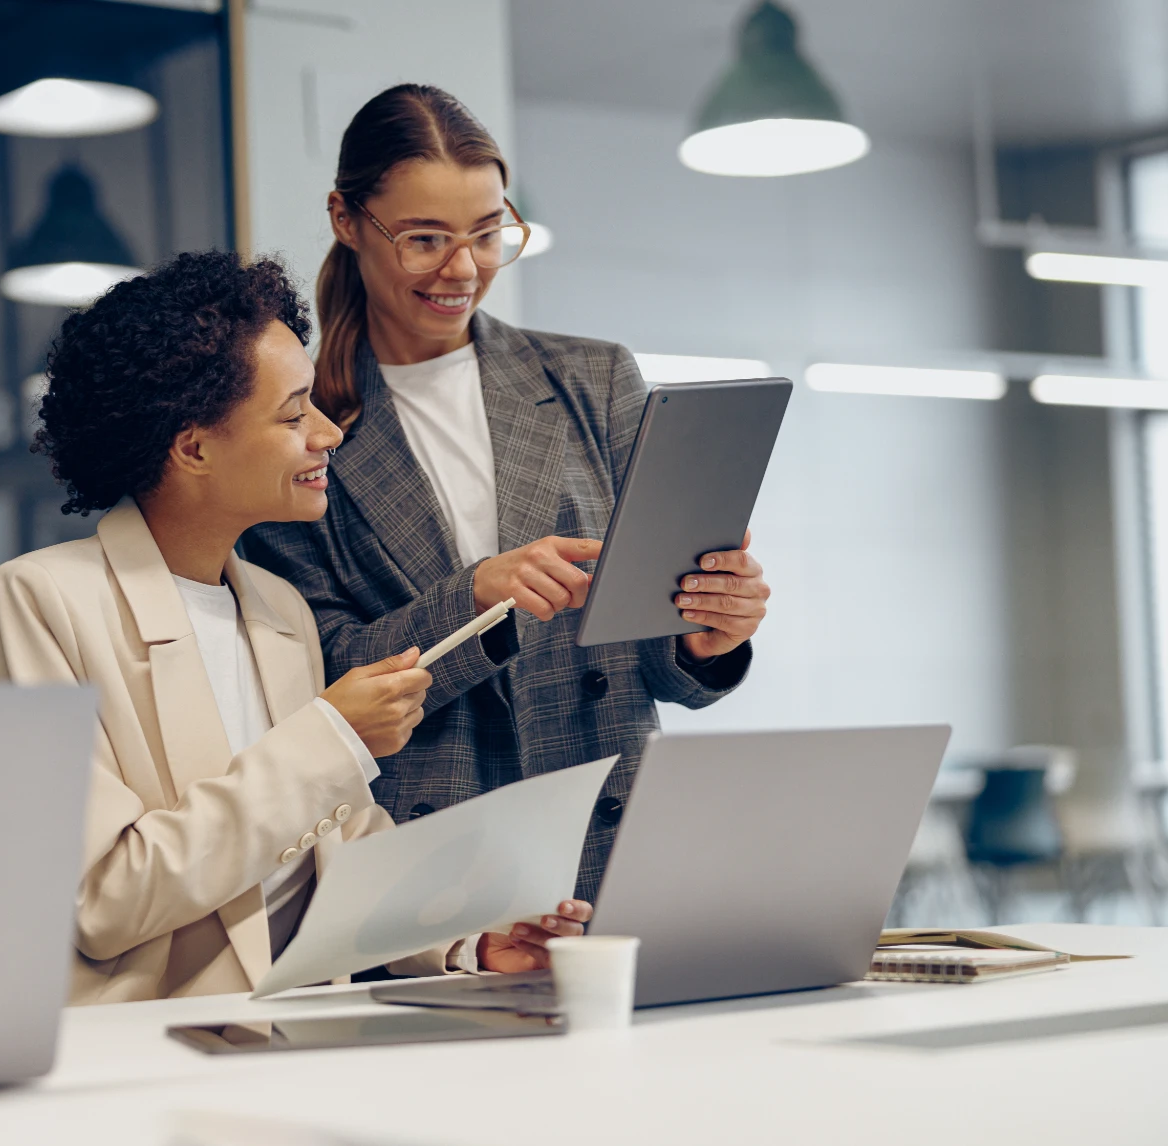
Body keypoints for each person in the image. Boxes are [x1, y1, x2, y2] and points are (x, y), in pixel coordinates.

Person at [0, 251, 588, 1004]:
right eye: (294, 412)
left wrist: (468, 937)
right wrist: (334, 736)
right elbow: (106, 901)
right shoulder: (43, 598)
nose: (329, 433)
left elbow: (334, 849)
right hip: (148, 1050)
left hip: (299, 1029)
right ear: (194, 447)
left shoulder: (279, 609)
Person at [242, 85, 771, 903]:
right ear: (346, 220)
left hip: (609, 832)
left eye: (489, 234)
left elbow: (657, 661)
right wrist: (476, 598)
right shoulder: (299, 422)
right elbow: (317, 675)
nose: (464, 270)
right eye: (424, 239)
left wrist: (712, 631)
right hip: (428, 859)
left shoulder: (594, 380)